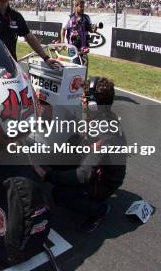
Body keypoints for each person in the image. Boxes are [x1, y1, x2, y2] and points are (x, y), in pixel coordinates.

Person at [34, 77, 126, 233]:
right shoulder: (99, 116)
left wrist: (47, 175)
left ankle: (100, 211)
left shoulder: (106, 134)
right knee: (54, 156)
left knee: (60, 194)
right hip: (92, 165)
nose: (81, 100)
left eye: (84, 98)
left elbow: (83, 175)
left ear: (93, 105)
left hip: (103, 182)